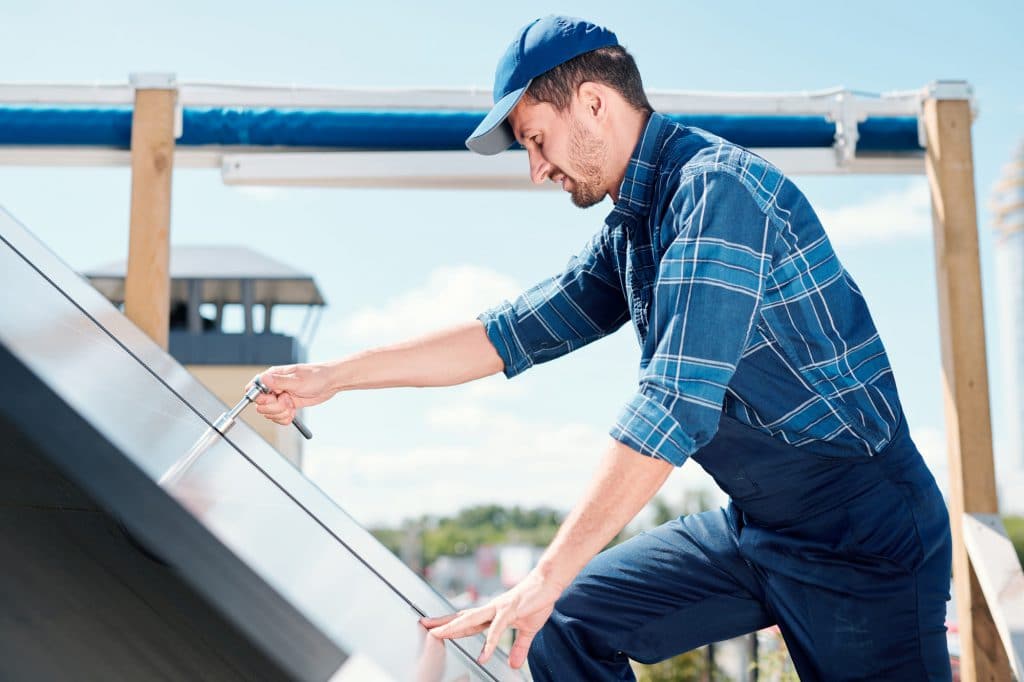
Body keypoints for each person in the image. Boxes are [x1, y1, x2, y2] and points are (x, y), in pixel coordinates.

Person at [252, 15, 952, 681]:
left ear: (592, 103)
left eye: (535, 140)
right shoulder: (634, 227)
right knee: (561, 625)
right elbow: (509, 333)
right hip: (761, 525)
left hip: (865, 540)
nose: (536, 170)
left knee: (548, 597)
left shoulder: (718, 194)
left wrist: (544, 574)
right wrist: (334, 376)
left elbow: (674, 403)